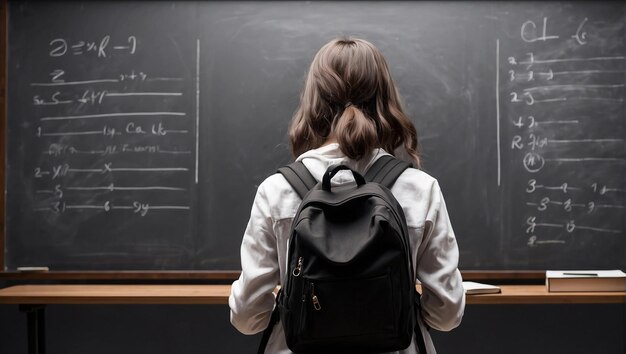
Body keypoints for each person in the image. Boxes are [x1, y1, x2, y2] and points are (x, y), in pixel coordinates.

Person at [229, 37, 465, 354]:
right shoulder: (420, 188)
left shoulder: (277, 190)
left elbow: (248, 319)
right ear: (385, 98)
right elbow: (446, 316)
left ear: (313, 99)